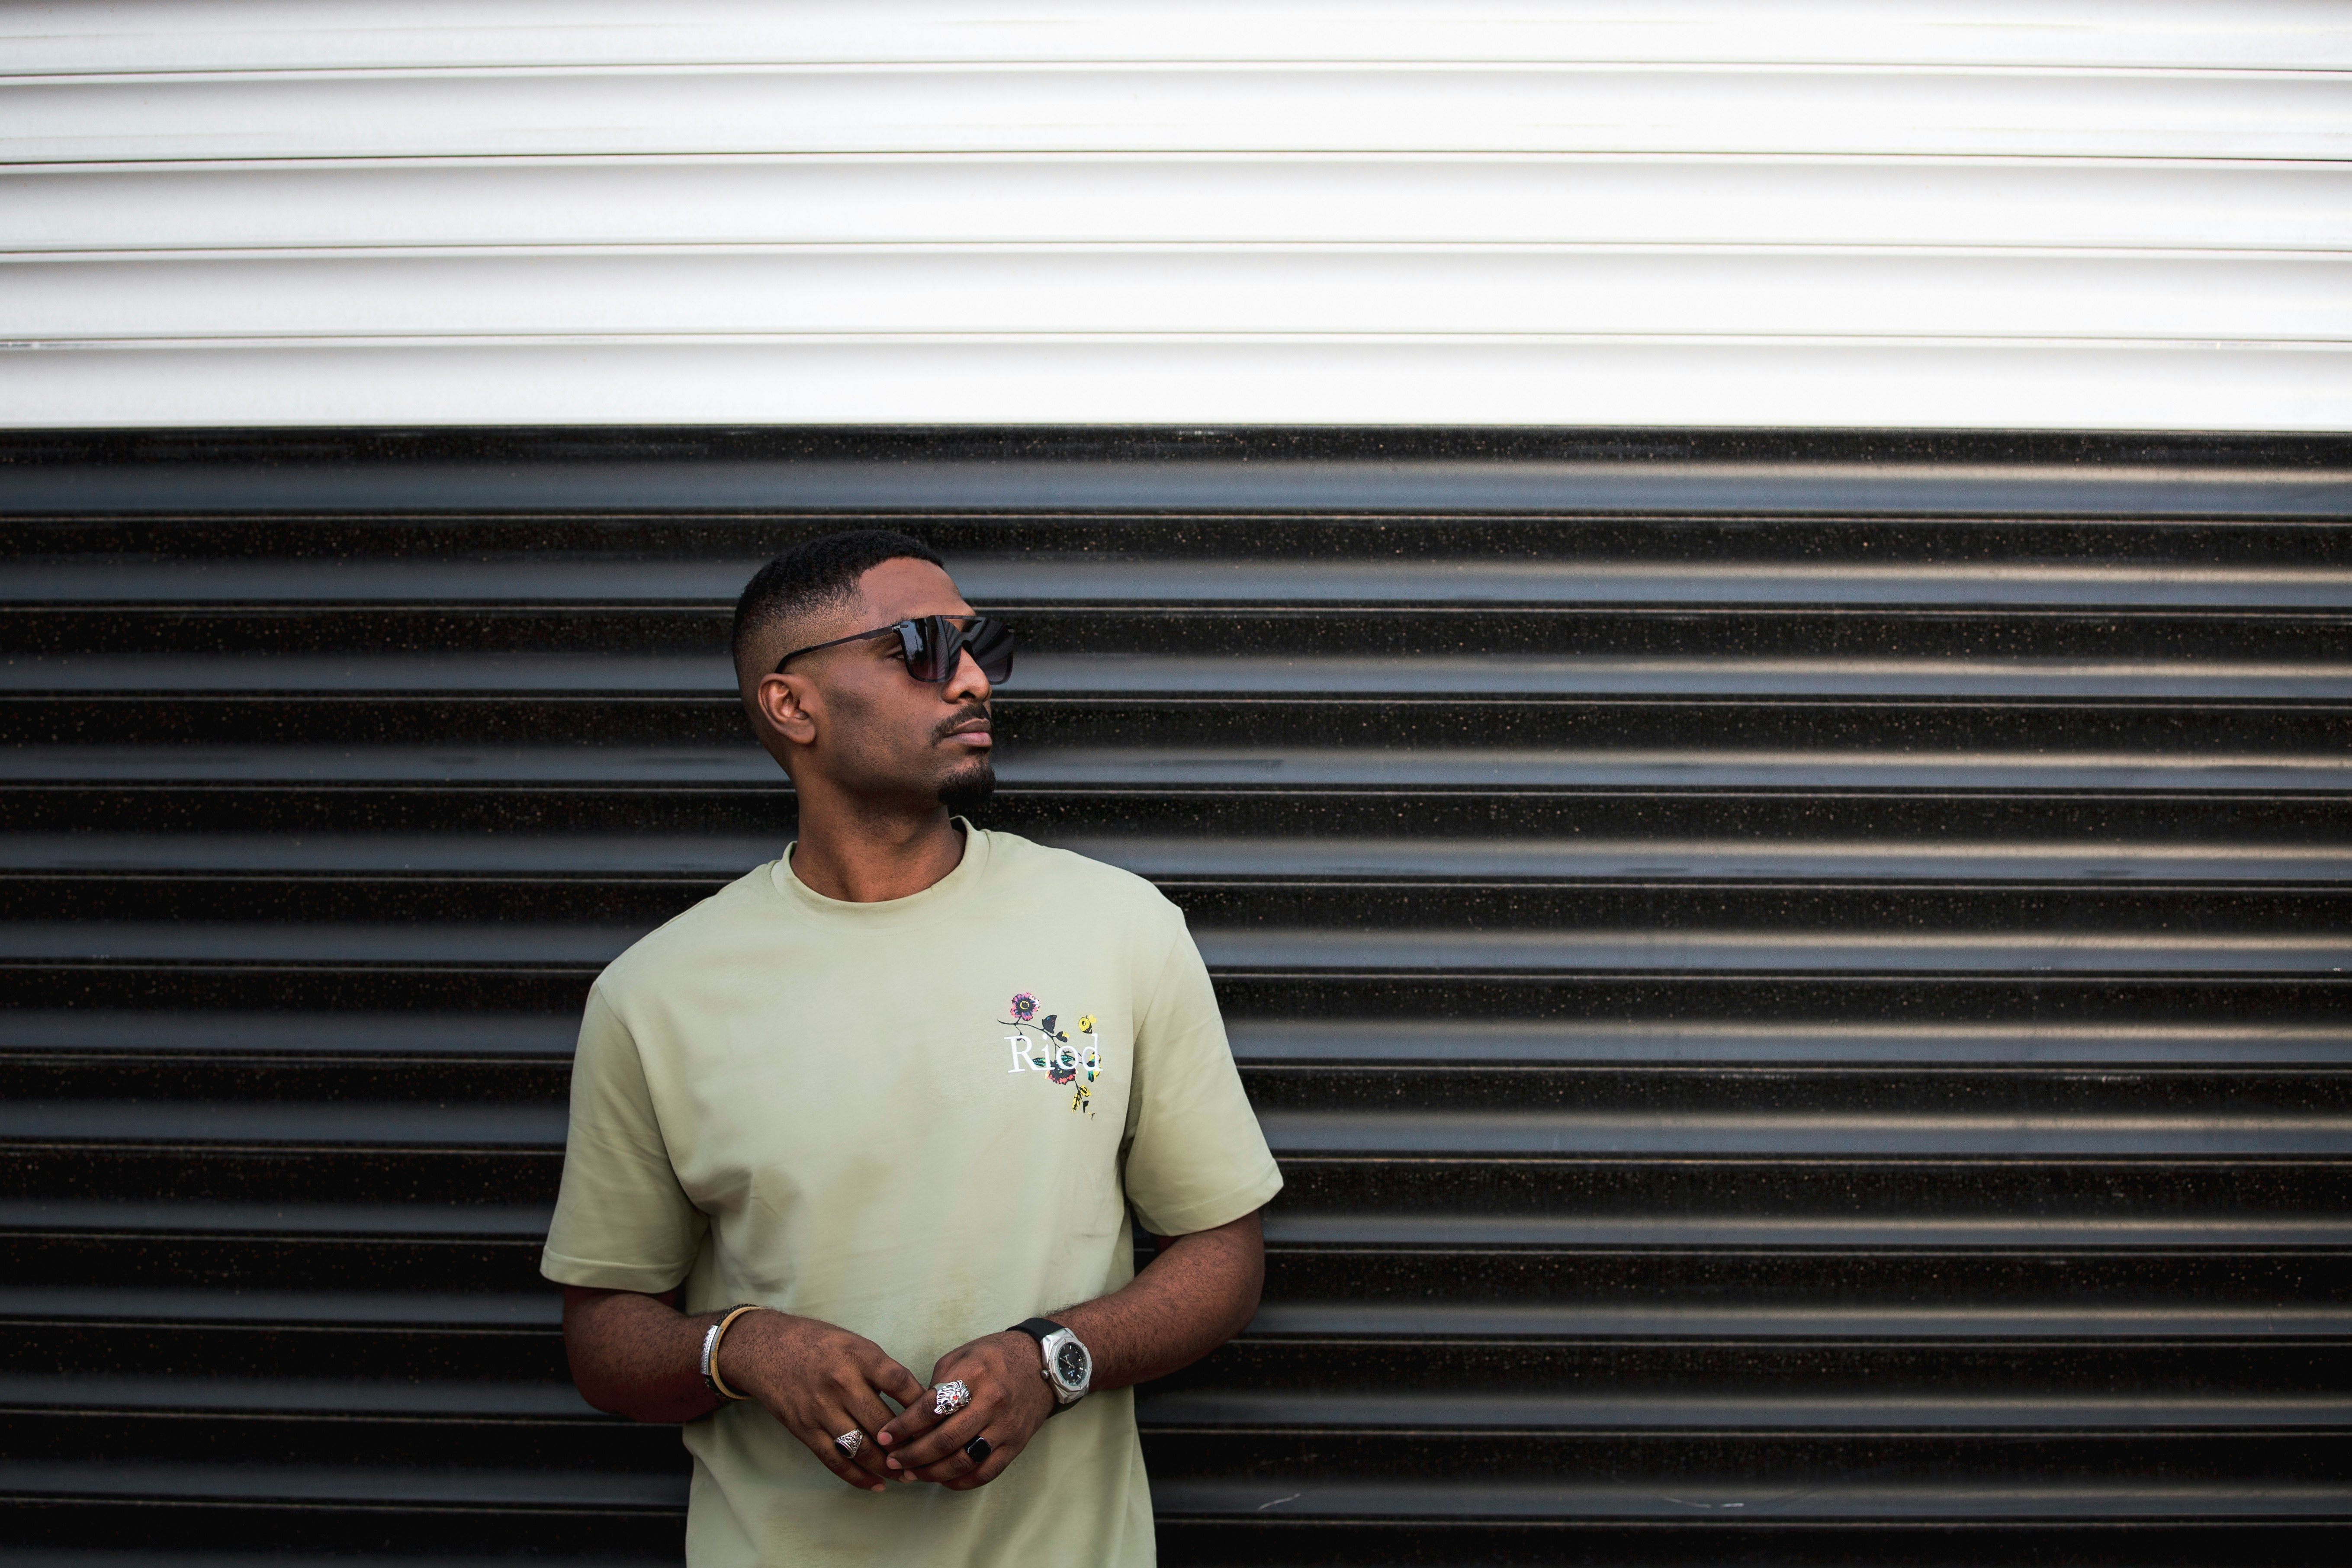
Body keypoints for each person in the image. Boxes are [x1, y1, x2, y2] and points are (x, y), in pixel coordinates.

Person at [542, 530, 1282, 1567]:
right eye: (921, 648)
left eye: (980, 644)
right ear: (791, 706)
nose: (973, 677)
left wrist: (1056, 1360)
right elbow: (605, 1333)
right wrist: (743, 1349)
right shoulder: (655, 994)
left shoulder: (1118, 929)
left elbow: (1223, 1255)